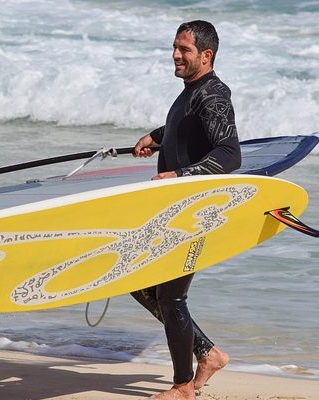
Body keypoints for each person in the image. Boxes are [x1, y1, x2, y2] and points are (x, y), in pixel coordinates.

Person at [131, 20, 239, 400]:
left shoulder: (214, 94)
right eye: (175, 47)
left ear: (206, 56)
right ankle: (208, 354)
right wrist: (157, 136)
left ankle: (182, 387)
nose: (176, 55)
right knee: (137, 283)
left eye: (185, 50)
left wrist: (179, 174)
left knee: (172, 298)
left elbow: (229, 154)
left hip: (193, 213)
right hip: (172, 210)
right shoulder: (192, 92)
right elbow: (187, 126)